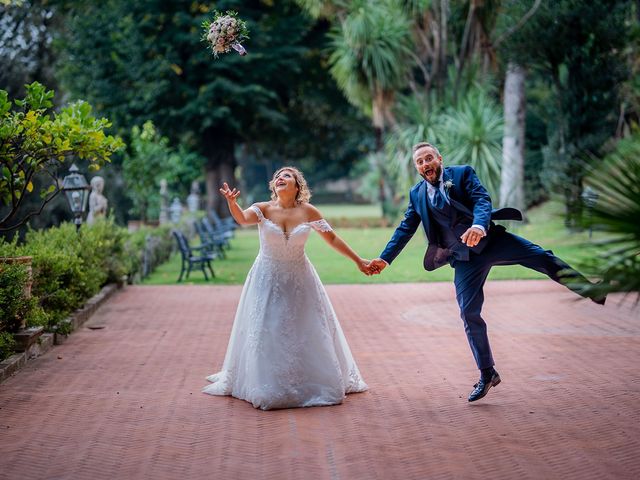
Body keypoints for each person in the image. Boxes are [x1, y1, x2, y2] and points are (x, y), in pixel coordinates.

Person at [367, 142, 605, 402]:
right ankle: (487, 373)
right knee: (468, 313)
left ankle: (591, 289)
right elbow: (405, 229)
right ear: (417, 168)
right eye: (420, 162)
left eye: (429, 158)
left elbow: (482, 199)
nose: (425, 164)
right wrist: (385, 258)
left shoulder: (462, 174)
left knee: (542, 257)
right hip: (464, 257)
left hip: (491, 242)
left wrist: (480, 225)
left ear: (439, 158)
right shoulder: (417, 194)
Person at [203, 167, 369, 410]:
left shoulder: (308, 211)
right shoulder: (263, 208)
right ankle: (268, 382)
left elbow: (332, 238)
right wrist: (232, 203)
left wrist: (359, 260)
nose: (280, 178)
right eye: (278, 176)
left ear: (297, 185)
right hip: (266, 277)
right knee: (268, 328)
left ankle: (311, 380)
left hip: (301, 278)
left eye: (287, 175)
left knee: (306, 328)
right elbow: (242, 219)